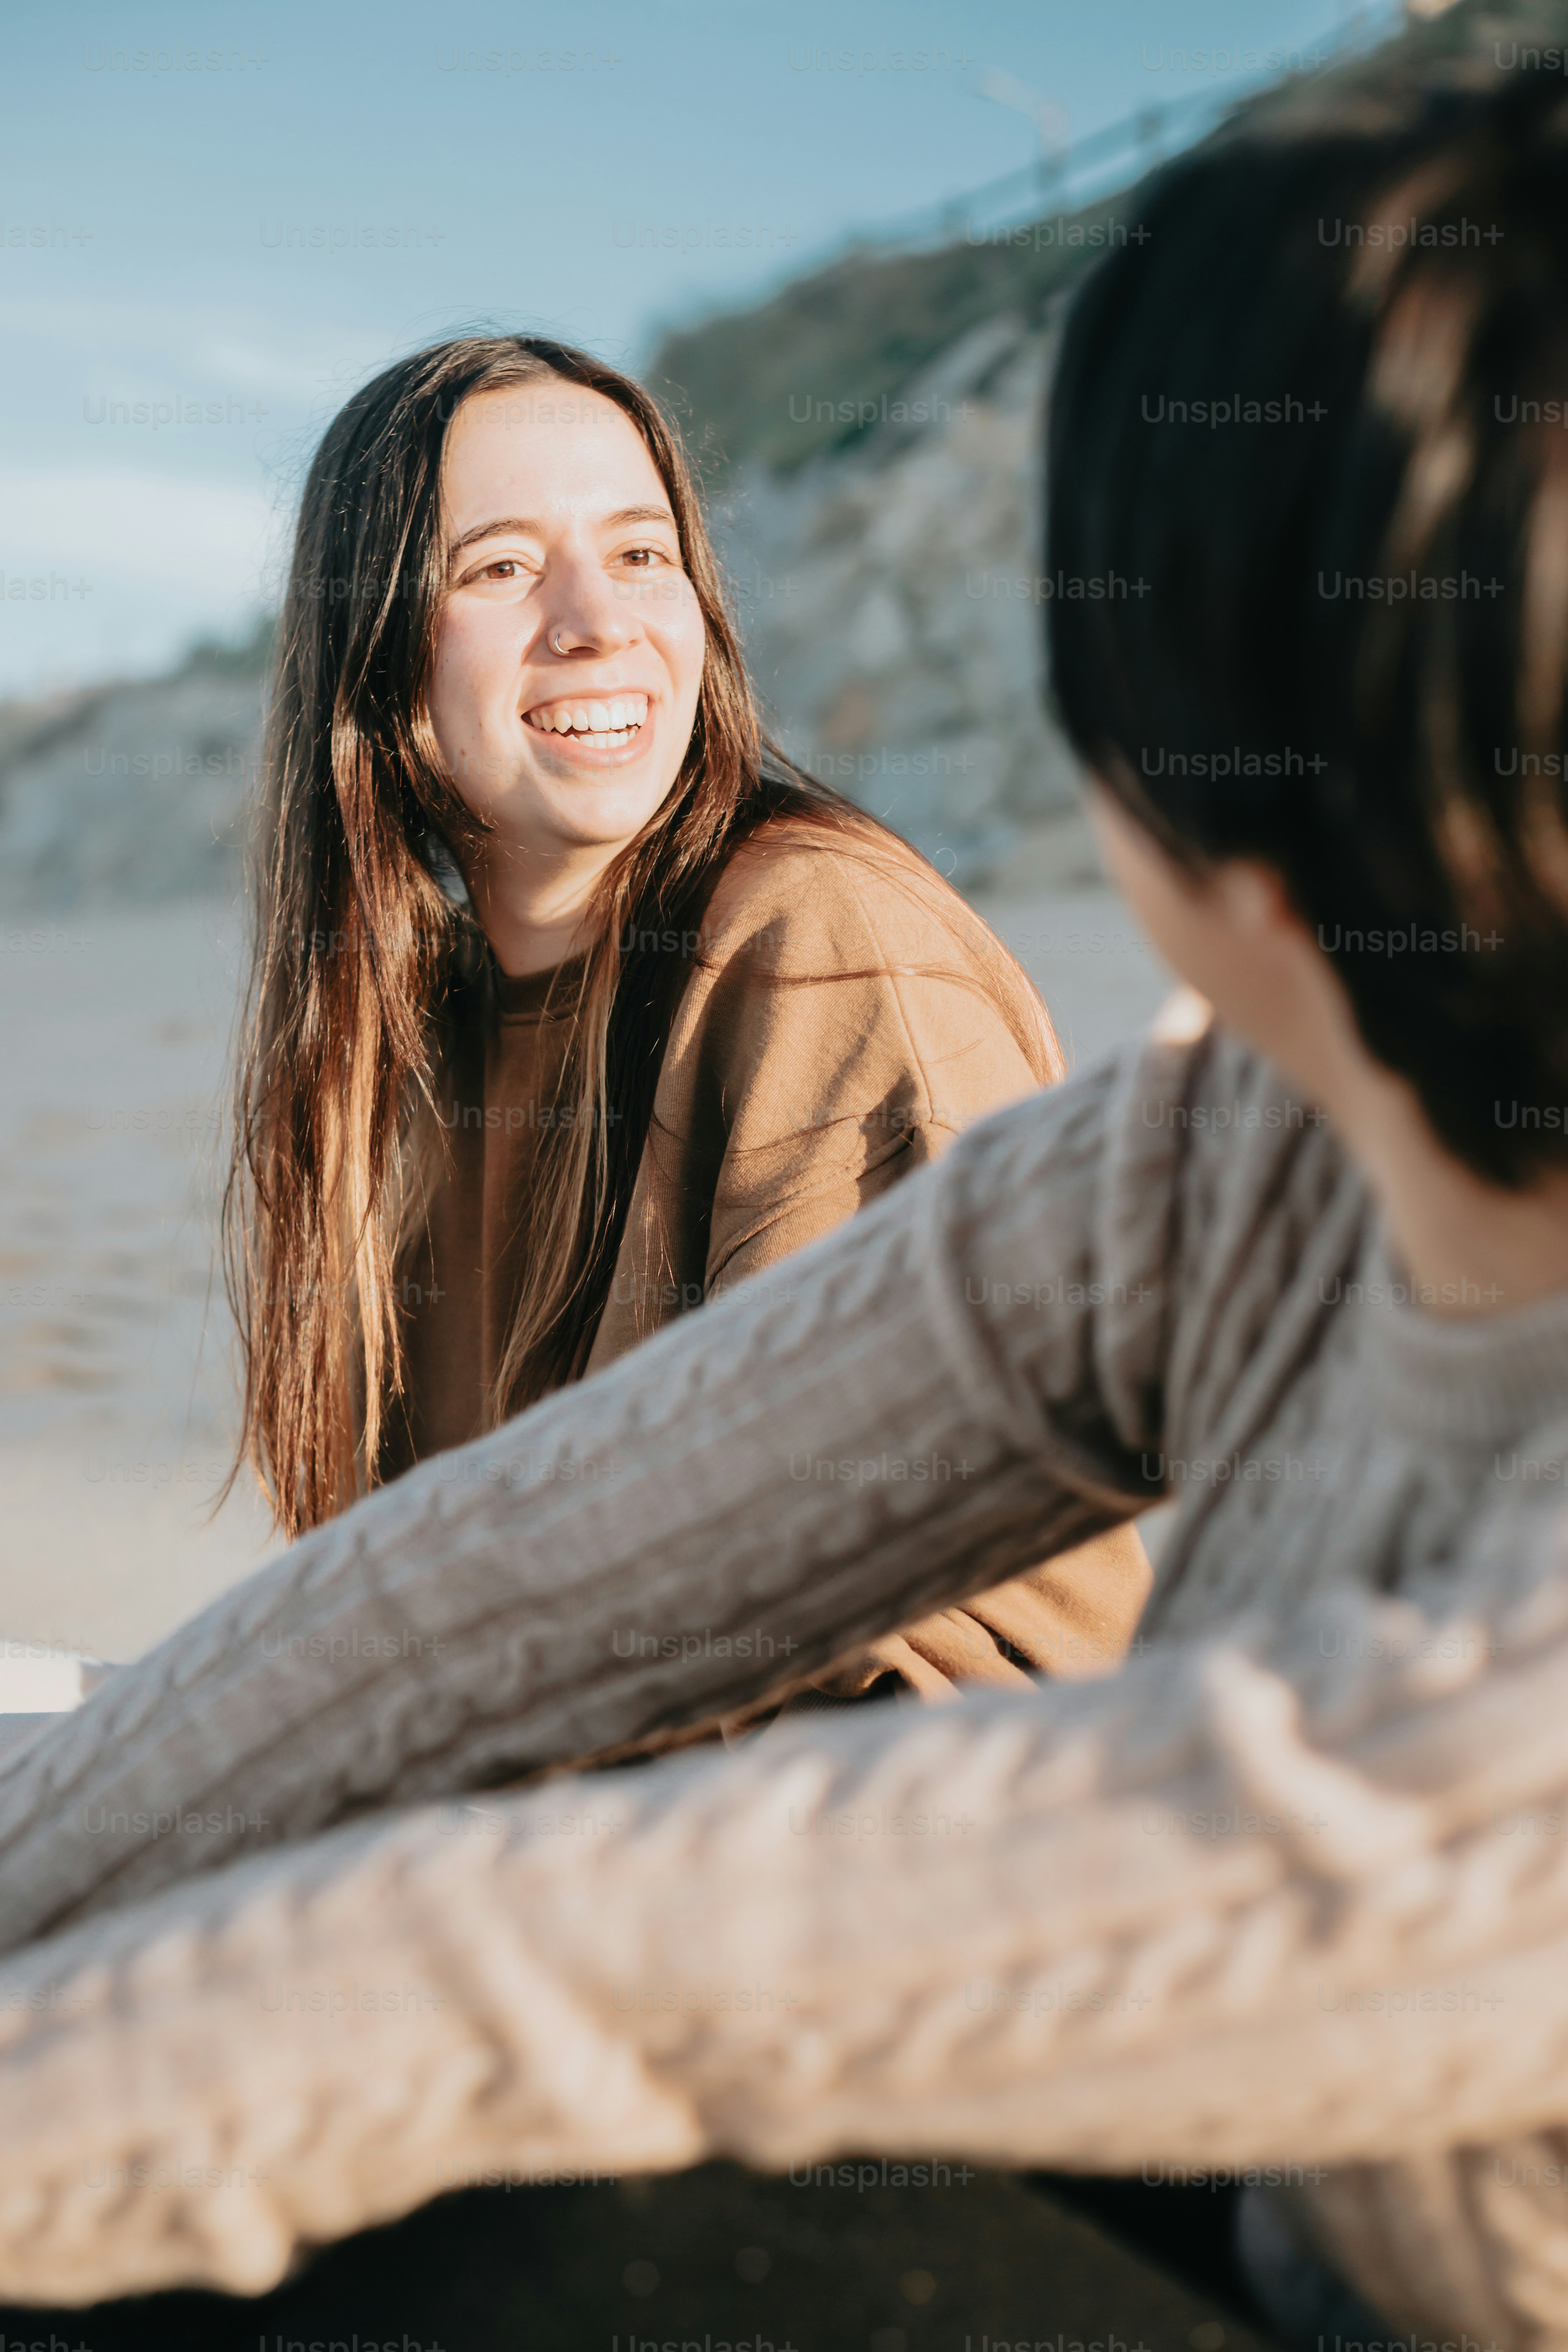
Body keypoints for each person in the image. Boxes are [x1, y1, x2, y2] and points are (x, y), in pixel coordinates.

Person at [4, 50, 1568, 2352]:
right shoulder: (1214, 1169)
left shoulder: (835, 933)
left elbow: (575, 1972)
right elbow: (486, 1593)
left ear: (1167, 767)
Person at [220, 330, 1148, 1699]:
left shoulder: (820, 945)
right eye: (500, 567)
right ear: (376, 649)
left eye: (642, 553)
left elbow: (920, 1649)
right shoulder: (411, 1035)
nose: (600, 622)